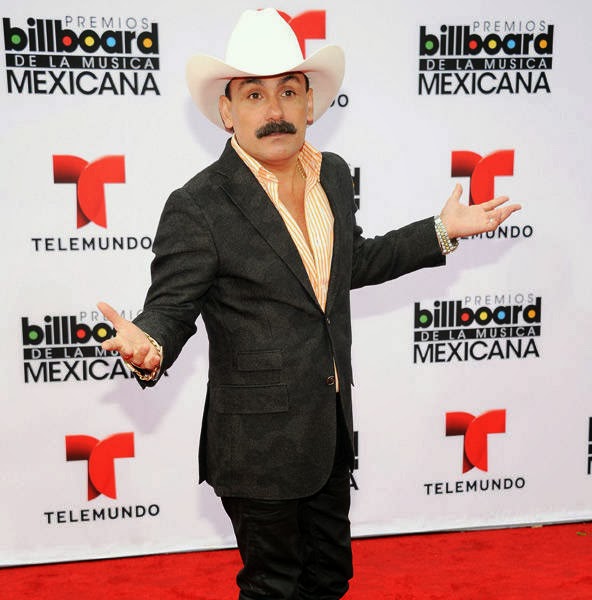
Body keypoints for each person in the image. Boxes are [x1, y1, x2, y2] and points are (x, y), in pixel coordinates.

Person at [98, 8, 520, 599]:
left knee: (329, 580)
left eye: (288, 92)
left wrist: (440, 231)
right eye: (254, 95)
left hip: (327, 433)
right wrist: (148, 343)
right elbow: (169, 306)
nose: (274, 111)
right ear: (227, 111)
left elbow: (351, 264)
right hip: (257, 446)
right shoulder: (197, 204)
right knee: (275, 588)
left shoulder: (334, 175)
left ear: (311, 104)